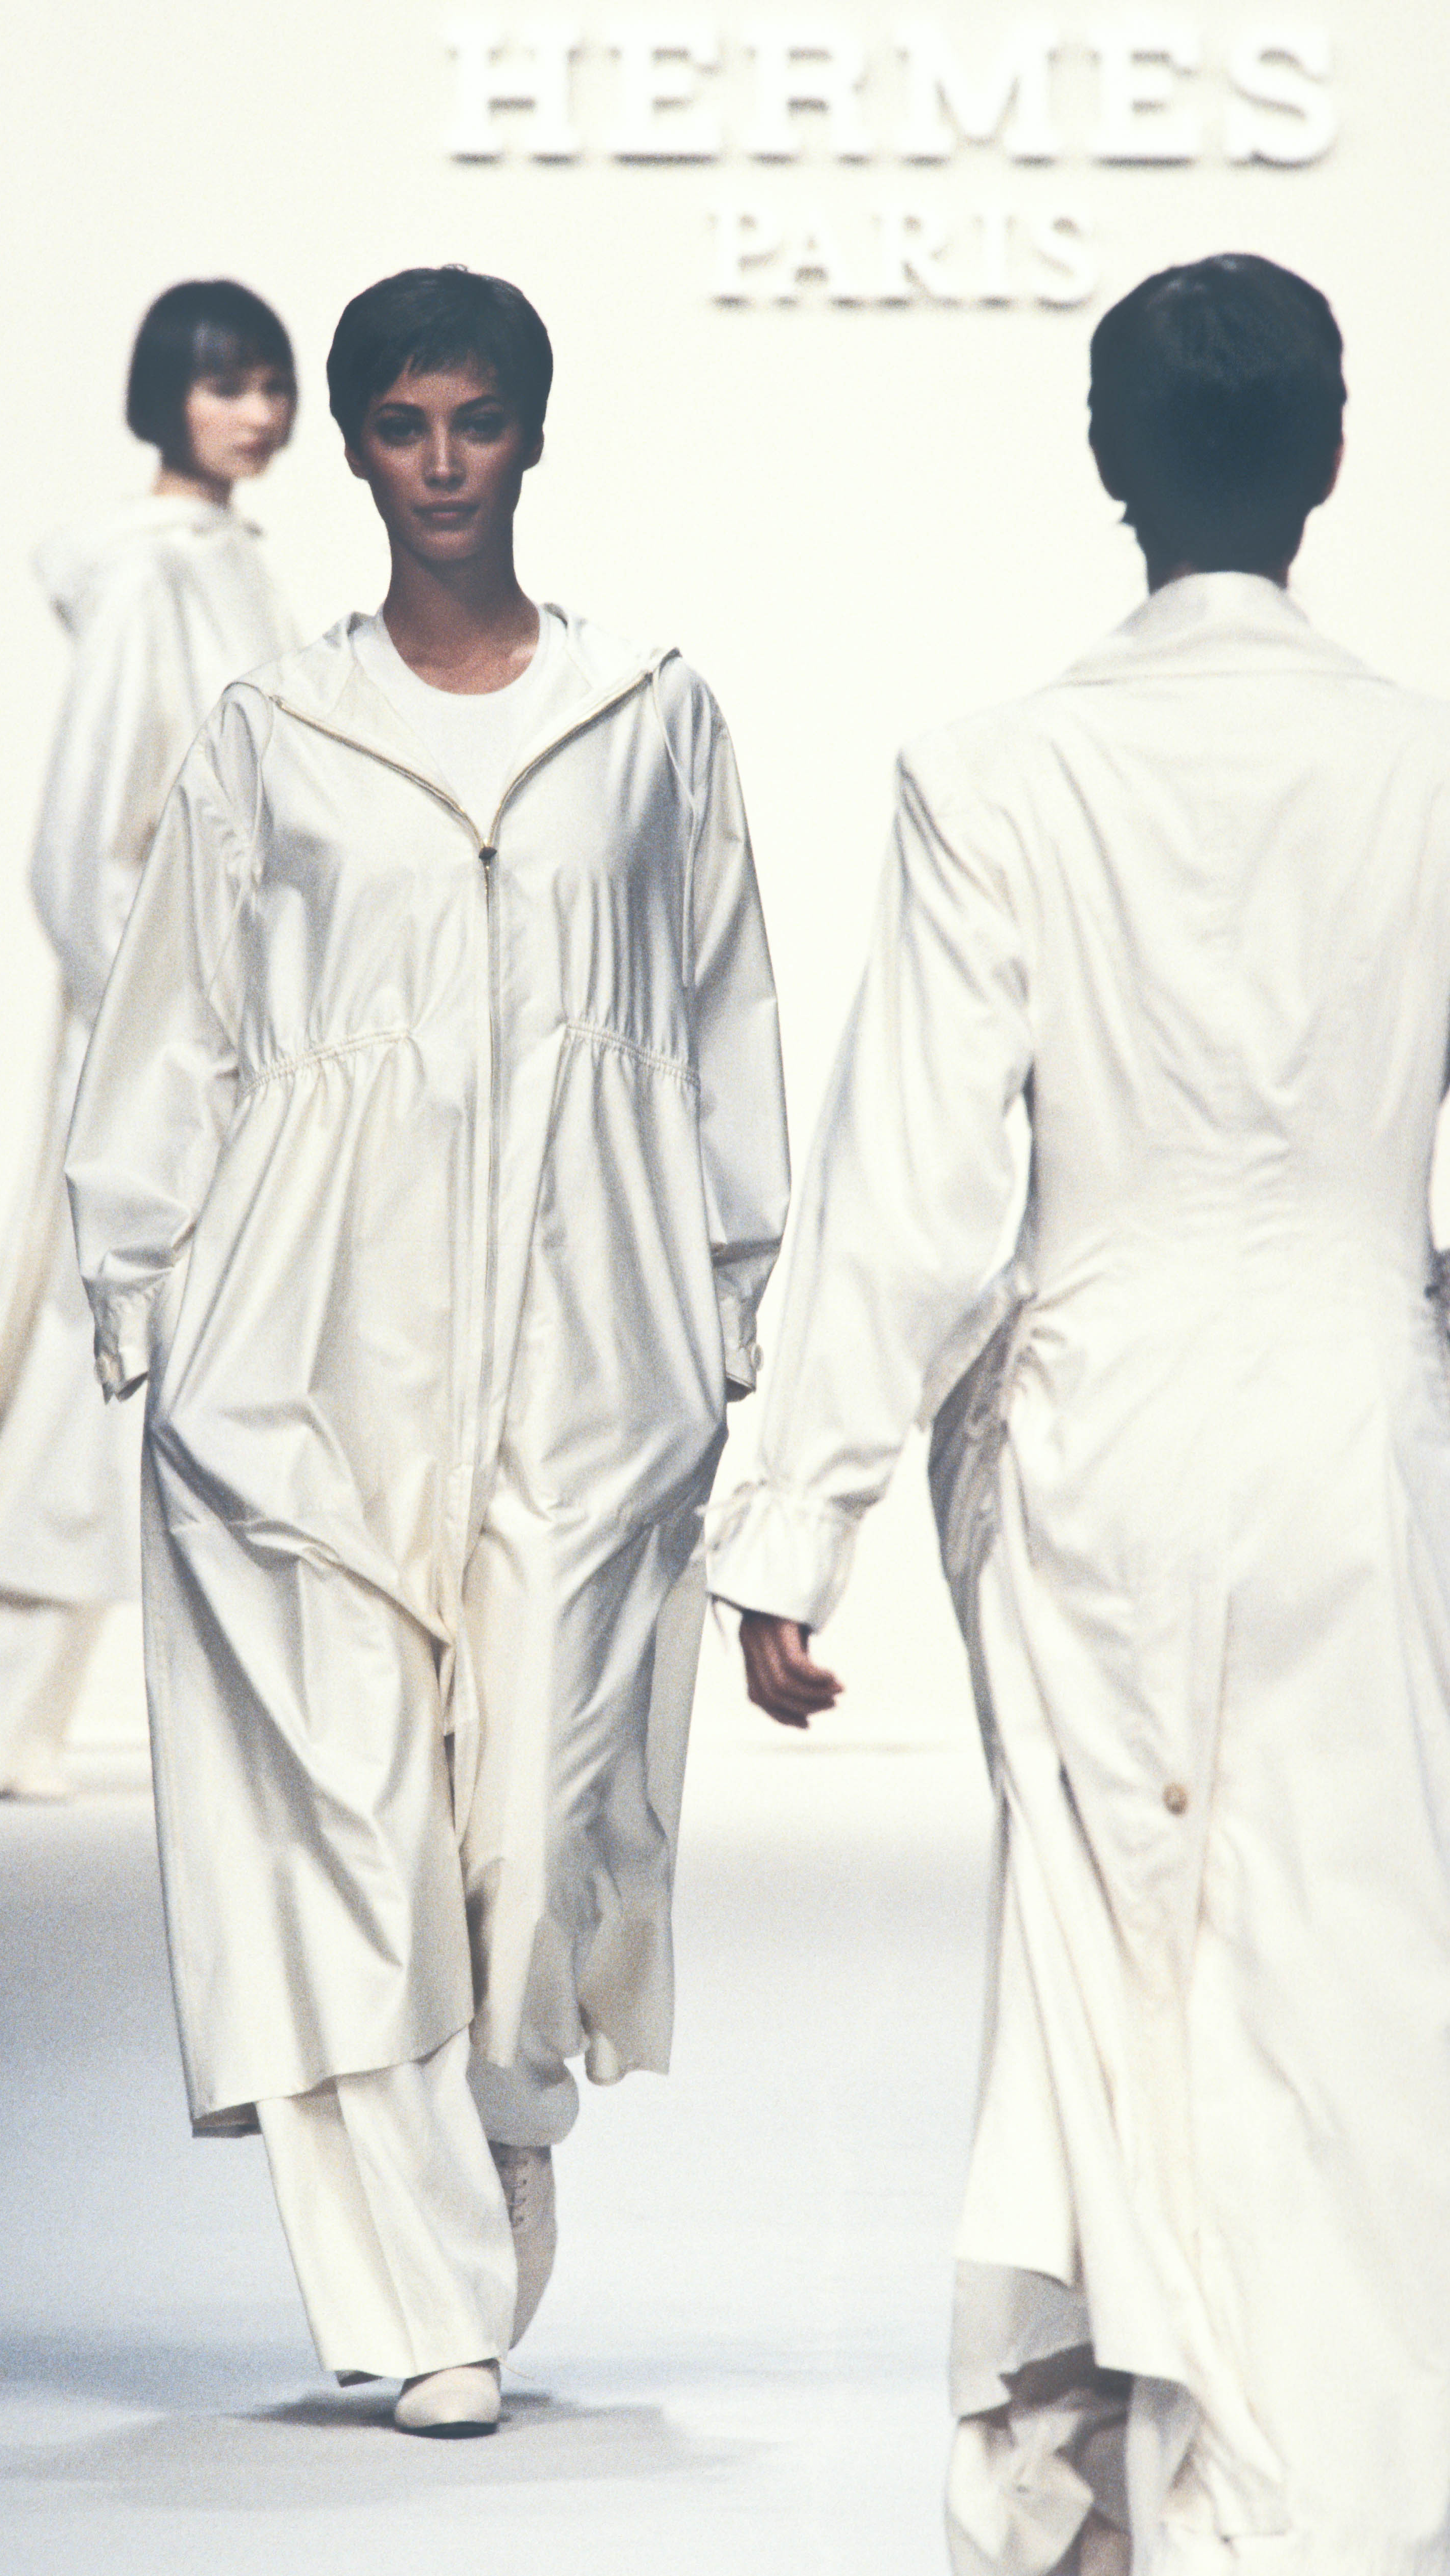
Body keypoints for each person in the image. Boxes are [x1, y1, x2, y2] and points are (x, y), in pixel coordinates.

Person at [710, 254, 1450, 2571]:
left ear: (1111, 463)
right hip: (1362, 1424)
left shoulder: (995, 772)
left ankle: (1125, 2490)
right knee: (1349, 1973)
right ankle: (1327, 2505)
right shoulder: (1430, 766)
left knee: (1111, 1961)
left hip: (1096, 1440)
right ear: (1334, 457)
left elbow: (915, 1191)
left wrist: (795, 1524)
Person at [63, 266, 790, 2434]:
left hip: (593, 1342)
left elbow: (728, 1012)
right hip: (306, 1339)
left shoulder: (649, 717)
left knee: (545, 1817)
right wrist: (141, 1282)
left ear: (535, 436)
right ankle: (426, 2290)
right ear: (361, 447)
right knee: (346, 1812)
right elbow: (176, 1014)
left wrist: (735, 1297)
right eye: (402, 423)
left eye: (478, 420)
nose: (443, 462)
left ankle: (499, 2119)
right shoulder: (275, 725)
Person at [0, 282, 297, 1799]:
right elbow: (80, 848)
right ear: (165, 396)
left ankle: (0, 1697)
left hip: (226, 1033)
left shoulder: (228, 563)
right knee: (94, 1346)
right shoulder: (146, 580)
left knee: (184, 1353)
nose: (256, 411)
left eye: (272, 383)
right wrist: (154, 1028)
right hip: (153, 1041)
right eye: (225, 384)